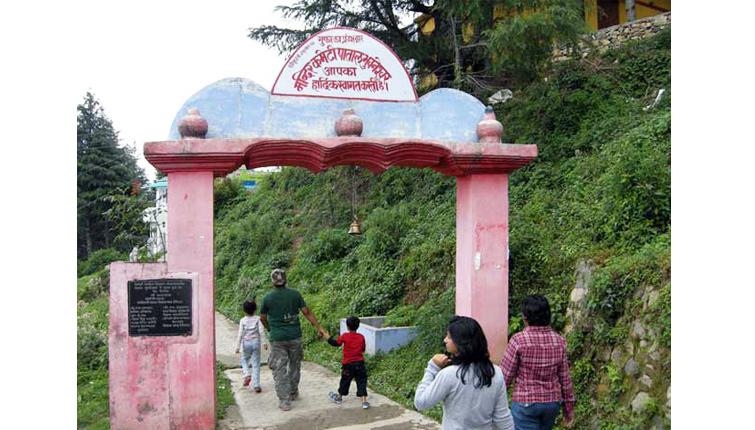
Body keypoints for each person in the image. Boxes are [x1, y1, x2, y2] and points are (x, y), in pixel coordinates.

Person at [414, 316, 515, 430]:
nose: (445, 340)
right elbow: (502, 417)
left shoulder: (449, 374)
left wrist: (432, 367)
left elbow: (421, 403)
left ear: (461, 342)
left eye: (449, 337)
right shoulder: (495, 372)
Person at [500, 295, 576, 430]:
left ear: (525, 317)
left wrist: (496, 404)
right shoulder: (559, 341)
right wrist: (568, 407)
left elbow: (505, 377)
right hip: (551, 403)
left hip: (525, 403)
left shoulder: (518, 340)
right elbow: (565, 378)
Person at [260, 268, 328, 411]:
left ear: (272, 282)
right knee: (295, 365)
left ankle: (284, 401)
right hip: (295, 337)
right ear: (286, 280)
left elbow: (263, 318)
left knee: (279, 369)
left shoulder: (267, 298)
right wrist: (319, 328)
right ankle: (292, 392)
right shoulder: (295, 294)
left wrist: (269, 329)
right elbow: (306, 312)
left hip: (277, 339)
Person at [326, 316, 370, 409]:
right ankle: (364, 401)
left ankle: (339, 397)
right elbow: (363, 349)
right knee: (361, 381)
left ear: (347, 326)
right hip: (360, 363)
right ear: (358, 326)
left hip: (348, 364)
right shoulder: (361, 337)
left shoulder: (345, 336)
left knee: (345, 381)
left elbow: (336, 343)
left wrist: (328, 337)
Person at [235, 299, 268, 393]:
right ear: (255, 309)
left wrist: (237, 347)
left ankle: (247, 374)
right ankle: (256, 385)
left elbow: (240, 334)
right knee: (256, 364)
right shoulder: (258, 319)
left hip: (246, 343)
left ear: (244, 310)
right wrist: (264, 343)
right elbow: (261, 331)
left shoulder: (243, 320)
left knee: (244, 359)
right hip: (256, 342)